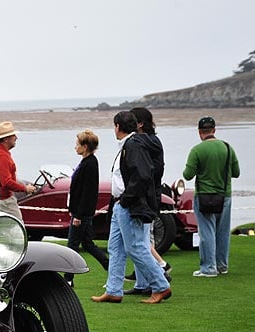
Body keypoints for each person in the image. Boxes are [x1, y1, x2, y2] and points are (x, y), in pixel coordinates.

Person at [92, 111, 171, 304]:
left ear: (117, 126)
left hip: (128, 204)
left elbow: (143, 175)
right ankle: (113, 290)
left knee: (136, 247)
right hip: (120, 204)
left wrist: (126, 199)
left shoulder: (133, 146)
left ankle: (161, 286)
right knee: (115, 247)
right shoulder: (129, 145)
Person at [182, 116, 240, 277]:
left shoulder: (197, 150)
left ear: (200, 132)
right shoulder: (228, 148)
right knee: (222, 231)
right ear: (214, 130)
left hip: (204, 196)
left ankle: (208, 268)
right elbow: (236, 173)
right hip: (225, 195)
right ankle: (222, 265)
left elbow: (187, 175)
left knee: (206, 232)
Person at [124, 107, 172, 295]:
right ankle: (143, 282)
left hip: (146, 197)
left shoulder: (141, 142)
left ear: (140, 124)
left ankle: (159, 274)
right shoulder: (153, 141)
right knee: (144, 239)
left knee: (142, 241)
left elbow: (144, 172)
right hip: (151, 194)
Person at [63, 130, 108, 287]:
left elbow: (87, 192)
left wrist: (79, 215)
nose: (75, 147)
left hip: (81, 213)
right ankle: (111, 269)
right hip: (81, 212)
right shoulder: (86, 162)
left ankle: (68, 278)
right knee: (88, 244)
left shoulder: (90, 164)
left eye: (77, 144)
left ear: (85, 146)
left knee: (72, 244)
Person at [0, 121, 36, 220]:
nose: (16, 138)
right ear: (6, 139)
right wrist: (25, 189)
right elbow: (6, 182)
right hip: (4, 200)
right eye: (13, 136)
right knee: (17, 226)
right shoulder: (1, 155)